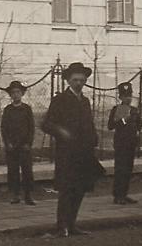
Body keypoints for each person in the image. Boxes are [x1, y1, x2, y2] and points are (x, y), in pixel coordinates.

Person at [41, 62, 105, 237]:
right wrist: (60, 131)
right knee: (67, 189)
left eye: (81, 80)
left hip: (84, 153)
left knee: (80, 189)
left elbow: (88, 123)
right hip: (67, 153)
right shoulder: (60, 100)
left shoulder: (85, 101)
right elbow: (46, 124)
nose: (78, 83)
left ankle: (72, 224)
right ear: (68, 80)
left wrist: (94, 137)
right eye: (75, 79)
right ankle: (61, 227)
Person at [1, 80, 36, 206]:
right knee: (13, 170)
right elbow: (3, 128)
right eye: (13, 93)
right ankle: (16, 194)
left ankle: (28, 195)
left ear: (22, 94)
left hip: (24, 146)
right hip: (12, 146)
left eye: (18, 92)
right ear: (10, 95)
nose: (15, 95)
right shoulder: (7, 110)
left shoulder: (26, 109)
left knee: (27, 170)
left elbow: (31, 128)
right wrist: (7, 143)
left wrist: (28, 143)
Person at [107, 82, 142, 205]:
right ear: (120, 97)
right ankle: (118, 195)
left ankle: (124, 194)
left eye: (130, 95)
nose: (128, 98)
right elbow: (110, 126)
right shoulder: (116, 110)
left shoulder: (134, 110)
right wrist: (123, 121)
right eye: (125, 96)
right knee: (120, 169)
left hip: (131, 142)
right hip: (121, 143)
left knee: (128, 169)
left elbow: (140, 125)